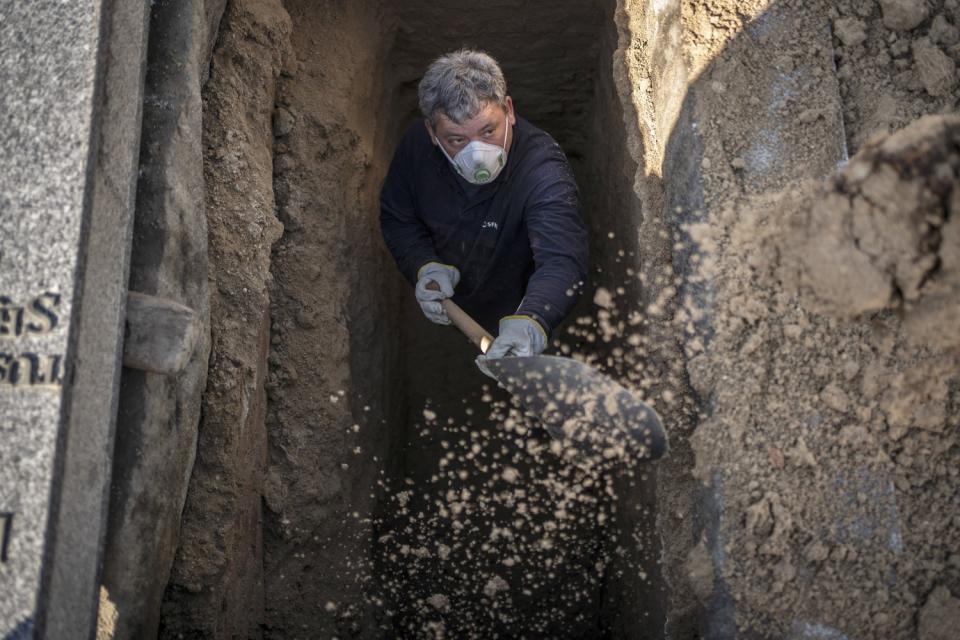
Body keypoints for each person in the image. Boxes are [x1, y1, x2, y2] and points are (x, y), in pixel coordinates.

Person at [379, 49, 587, 365]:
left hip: (520, 295)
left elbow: (561, 260)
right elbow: (398, 216)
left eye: (488, 131)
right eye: (457, 140)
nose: (478, 155)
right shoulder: (417, 151)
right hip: (458, 295)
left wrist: (533, 319)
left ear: (509, 110)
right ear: (432, 134)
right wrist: (424, 265)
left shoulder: (542, 170)